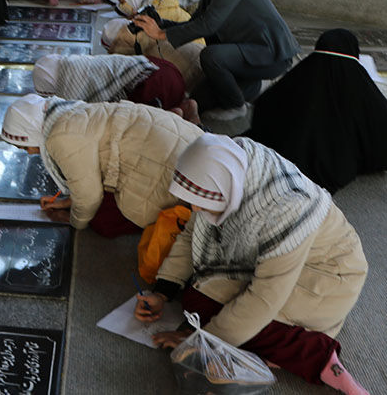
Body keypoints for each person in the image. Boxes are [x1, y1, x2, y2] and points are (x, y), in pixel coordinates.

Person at [137, 134, 370, 395]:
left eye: (199, 203)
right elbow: (194, 233)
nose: (193, 208)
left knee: (205, 308)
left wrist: (201, 343)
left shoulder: (286, 210)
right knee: (197, 297)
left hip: (327, 277)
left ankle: (320, 358)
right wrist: (162, 292)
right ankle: (264, 346)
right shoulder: (230, 170)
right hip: (288, 264)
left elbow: (265, 298)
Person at [133, 0, 299, 120]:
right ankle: (252, 86)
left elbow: (209, 24)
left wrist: (162, 35)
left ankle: (236, 106)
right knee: (198, 99)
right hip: (247, 48)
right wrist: (160, 24)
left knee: (211, 56)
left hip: (270, 52)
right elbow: (195, 22)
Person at [0, 94, 203, 230]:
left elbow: (88, 197)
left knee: (103, 222)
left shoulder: (58, 138)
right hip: (190, 143)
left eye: (24, 147)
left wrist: (73, 221)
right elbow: (86, 173)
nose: (28, 153)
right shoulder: (69, 112)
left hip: (170, 171)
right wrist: (66, 202)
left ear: (31, 134)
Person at [245, 29, 387, 193]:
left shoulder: (298, 77)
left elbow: (265, 104)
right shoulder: (361, 89)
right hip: (331, 168)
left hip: (277, 159)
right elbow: (383, 144)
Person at [32, 53, 186, 111]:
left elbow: (78, 116)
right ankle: (184, 106)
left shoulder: (69, 86)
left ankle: (176, 114)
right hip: (164, 68)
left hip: (157, 86)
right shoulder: (75, 61)